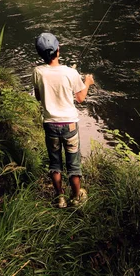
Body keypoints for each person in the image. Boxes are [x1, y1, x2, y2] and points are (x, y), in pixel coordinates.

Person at [32, 32, 95, 208]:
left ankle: (60, 198)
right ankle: (76, 197)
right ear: (58, 50)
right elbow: (81, 98)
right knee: (73, 164)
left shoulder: (37, 72)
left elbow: (38, 96)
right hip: (70, 126)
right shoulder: (71, 72)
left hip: (50, 126)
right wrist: (87, 82)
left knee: (55, 164)